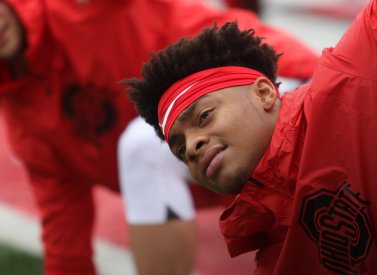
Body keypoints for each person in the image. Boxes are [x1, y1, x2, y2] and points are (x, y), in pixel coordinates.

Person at [123, 0, 377, 273]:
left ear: (265, 94)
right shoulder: (275, 257)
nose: (194, 146)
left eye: (203, 116)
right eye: (181, 150)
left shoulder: (359, 73)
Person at [0, 0, 318, 274]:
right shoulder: (27, 128)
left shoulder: (78, 10)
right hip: (218, 157)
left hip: (288, 83)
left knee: (142, 147)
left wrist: (325, 81)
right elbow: (64, 237)